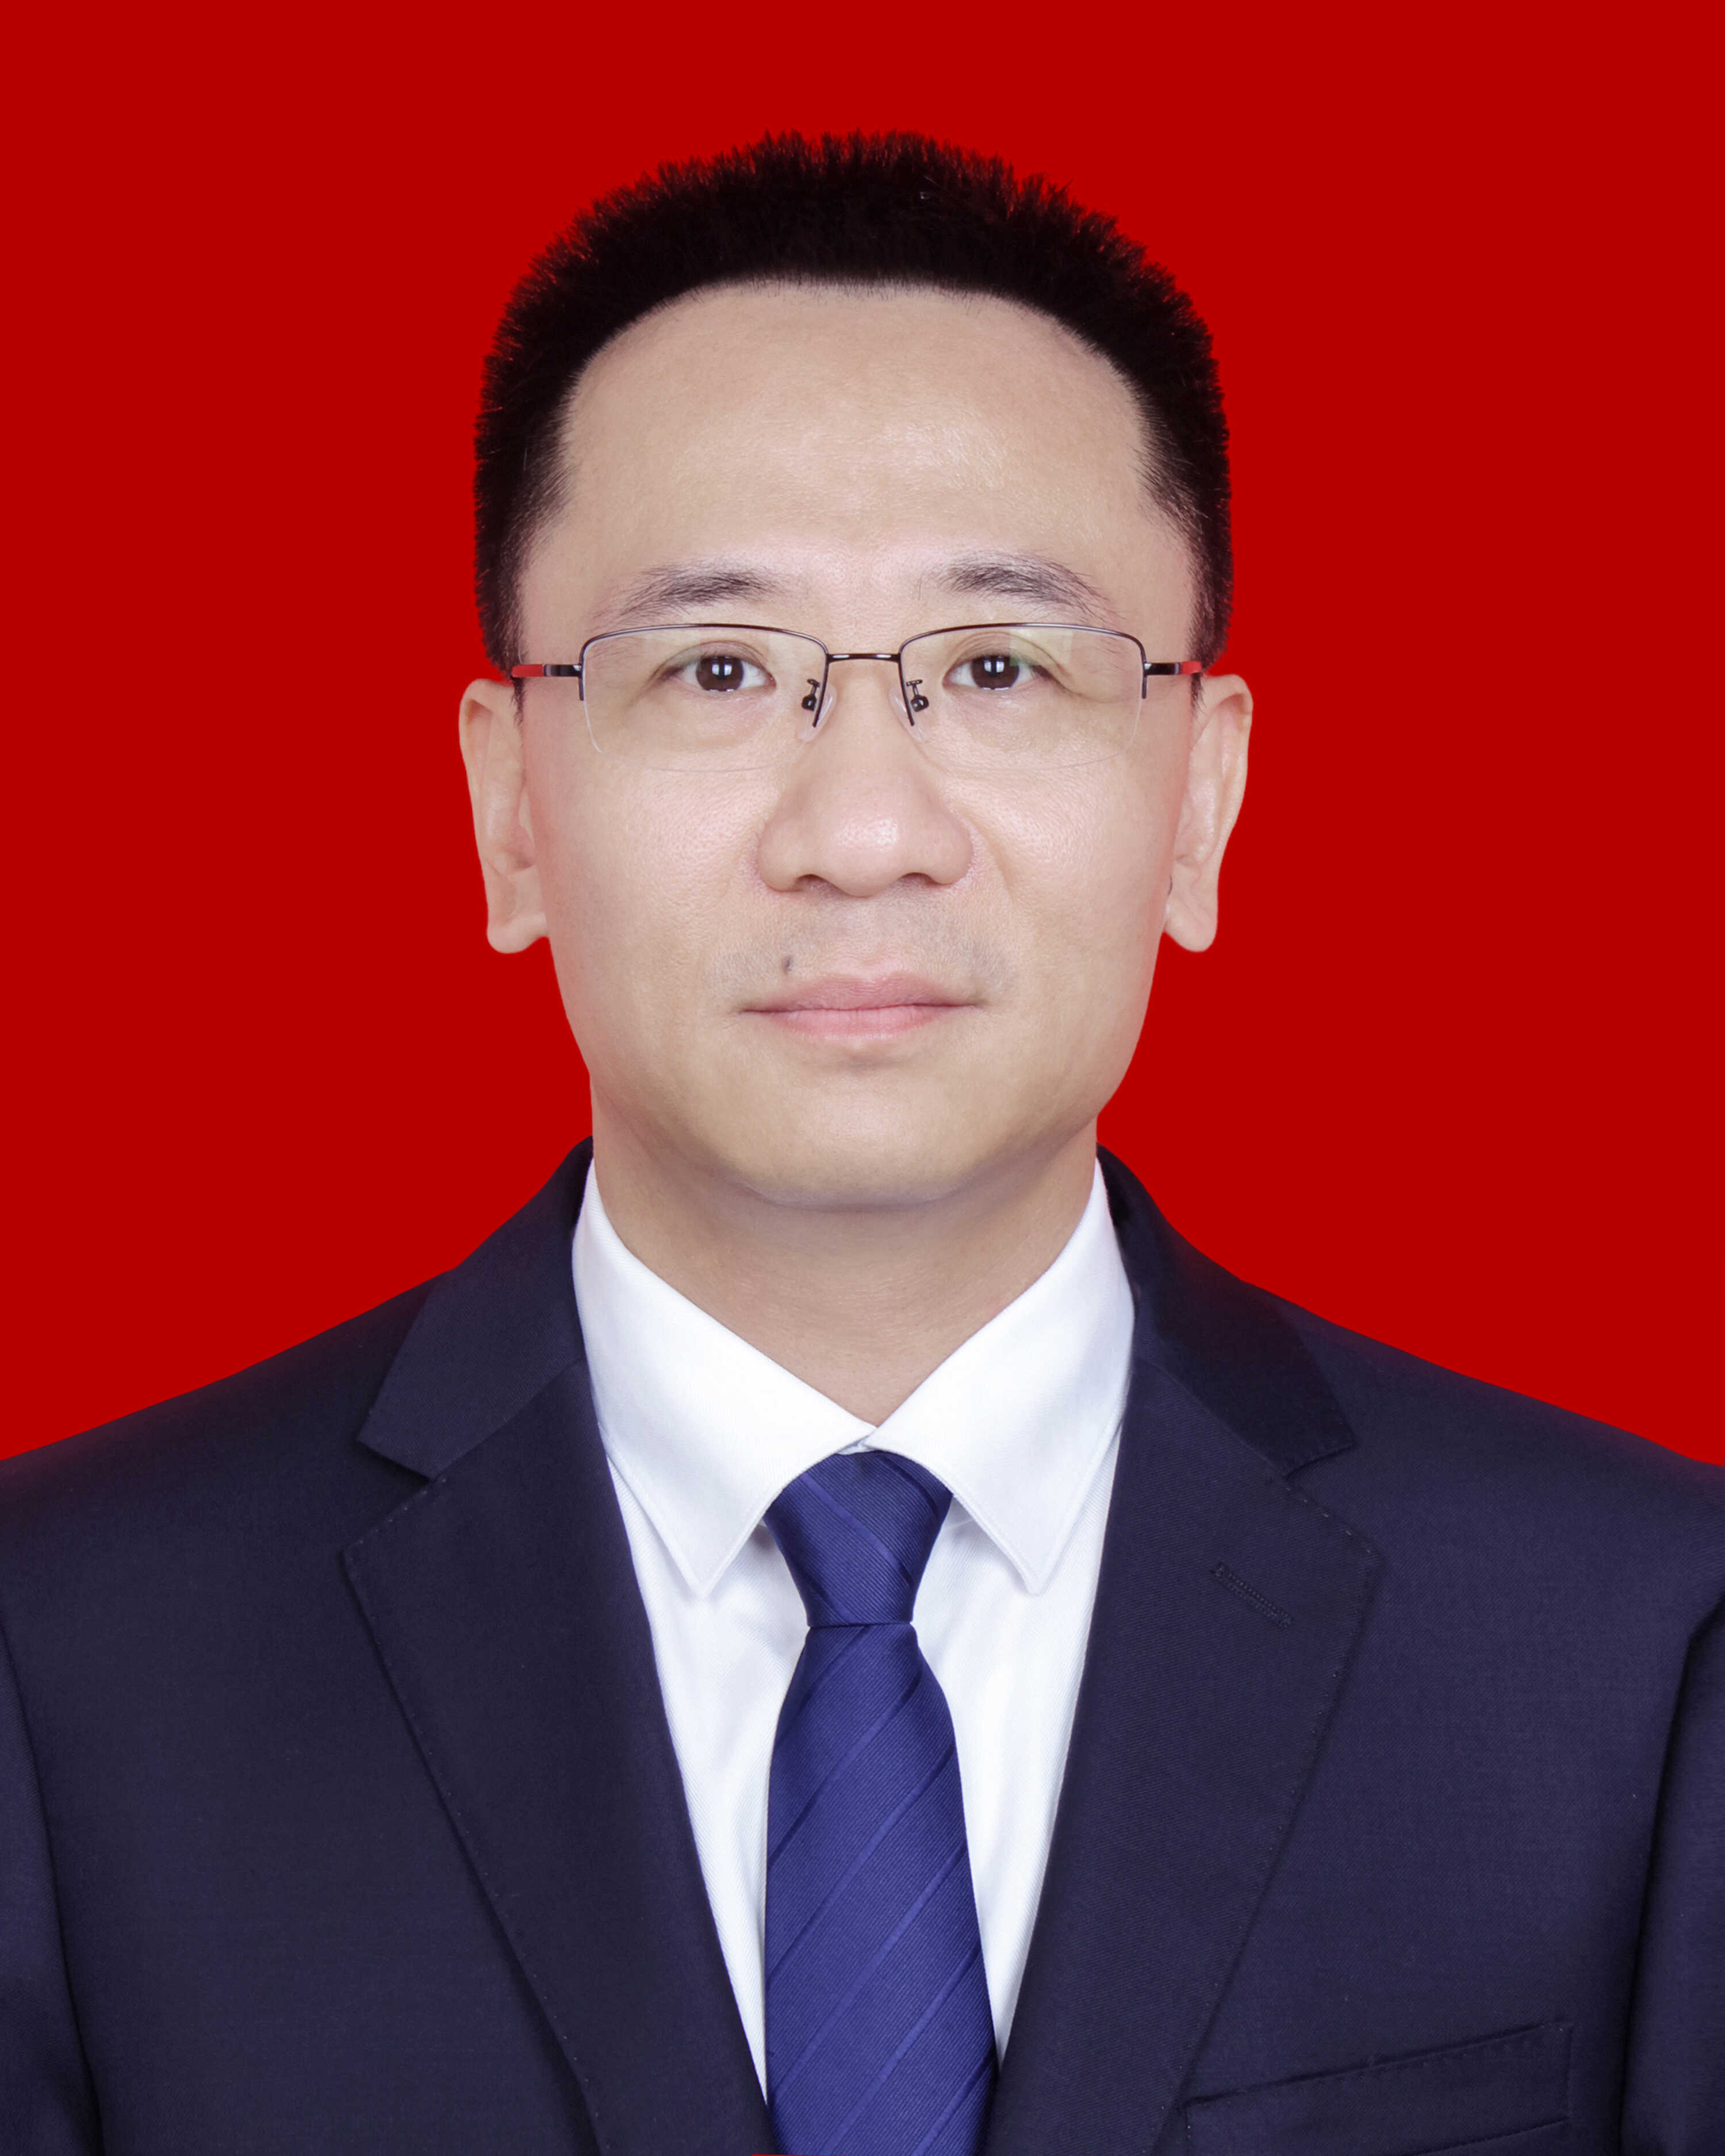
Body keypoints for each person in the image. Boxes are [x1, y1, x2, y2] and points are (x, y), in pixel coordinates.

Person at [1, 131, 1719, 2156]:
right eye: (719, 669)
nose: (864, 830)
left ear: (1201, 800)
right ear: (510, 808)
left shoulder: (1636, 1645)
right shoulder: (67, 1655)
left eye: (999, 668)